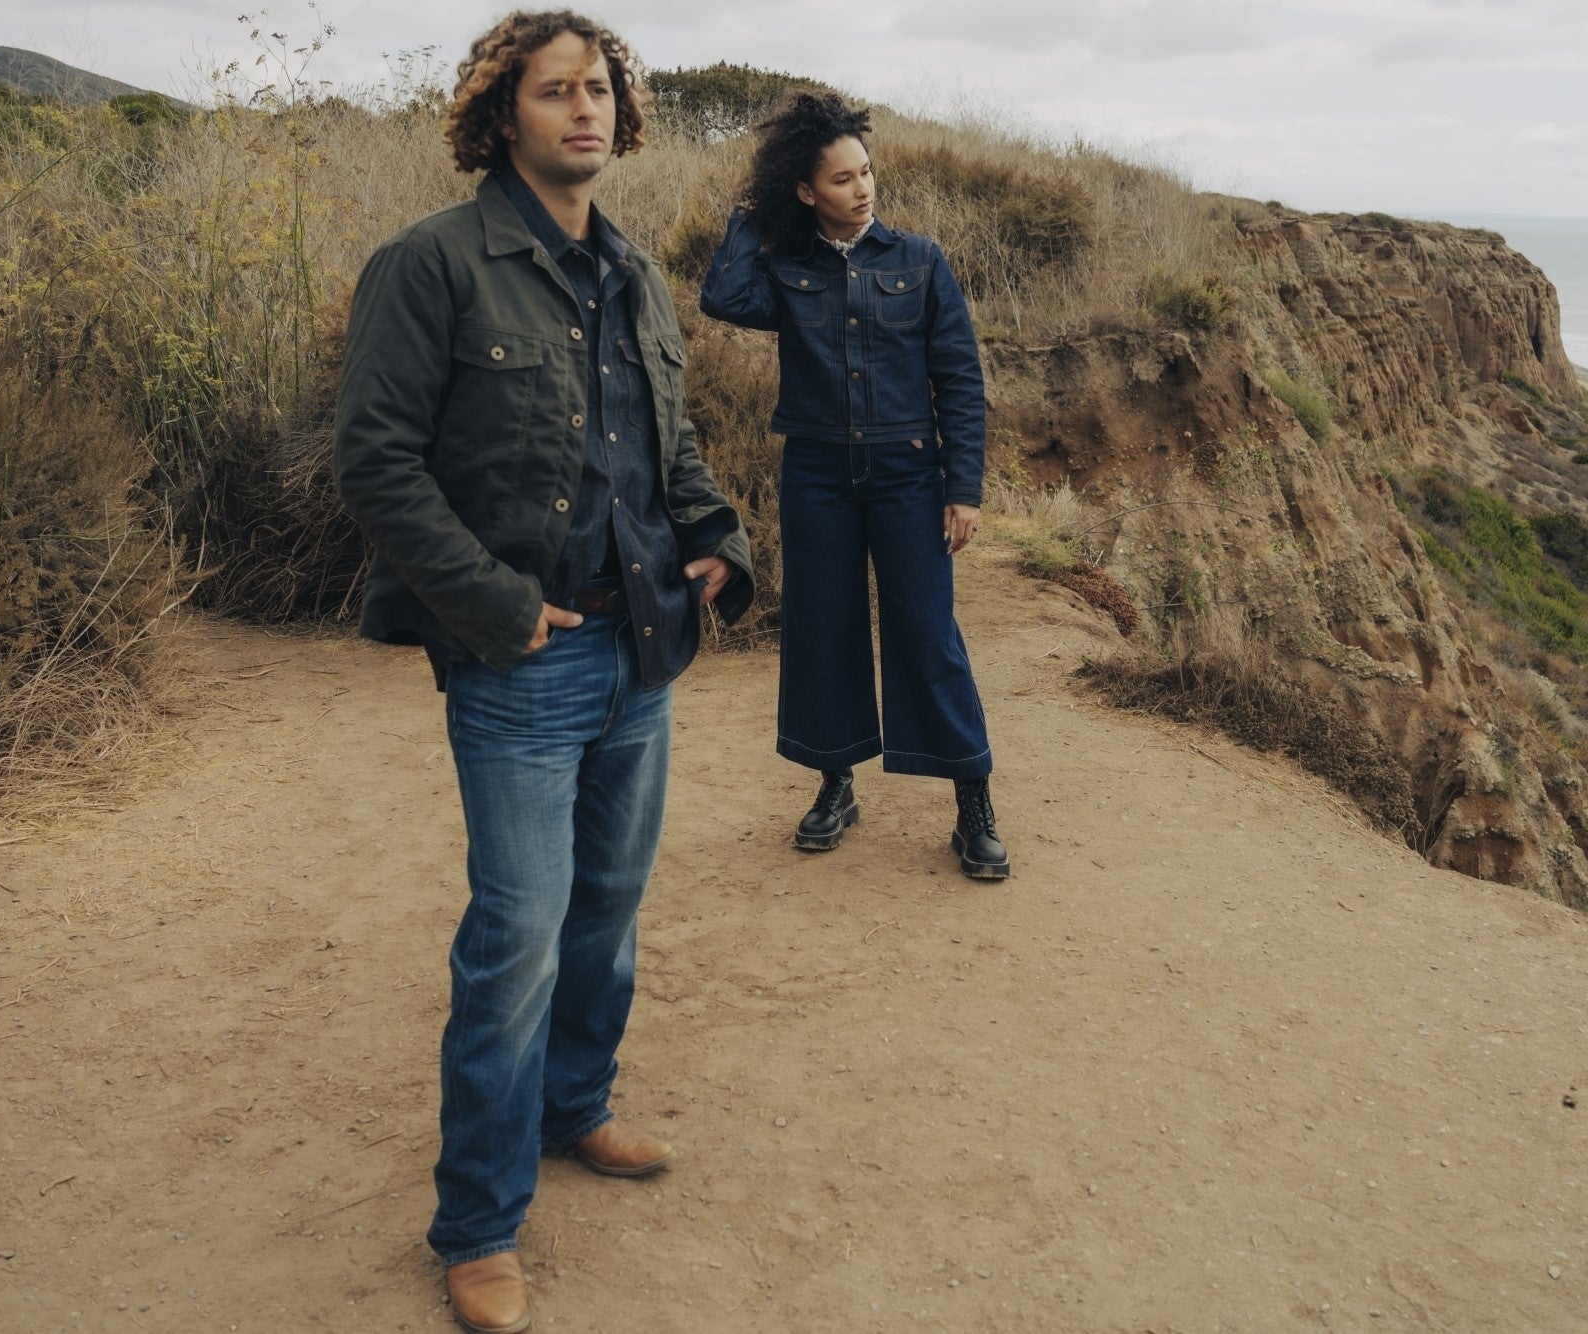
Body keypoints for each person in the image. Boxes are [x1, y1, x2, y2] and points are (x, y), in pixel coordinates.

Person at [332, 11, 753, 1331]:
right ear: (499, 113)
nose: (585, 110)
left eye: (602, 90)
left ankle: (577, 1106)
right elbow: (378, 463)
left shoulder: (631, 273)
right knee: (513, 936)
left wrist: (716, 543)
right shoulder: (431, 265)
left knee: (607, 911)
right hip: (523, 658)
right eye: (556, 90)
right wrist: (493, 605)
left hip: (644, 650)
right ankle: (477, 1221)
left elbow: (663, 448)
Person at [699, 92, 1010, 880]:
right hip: (816, 475)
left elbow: (959, 381)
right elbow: (722, 297)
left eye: (865, 172)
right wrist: (752, 212)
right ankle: (835, 784)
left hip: (908, 474)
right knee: (821, 628)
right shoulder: (785, 265)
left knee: (926, 631)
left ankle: (972, 802)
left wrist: (961, 488)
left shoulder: (919, 260)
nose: (862, 189)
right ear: (806, 192)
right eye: (840, 180)